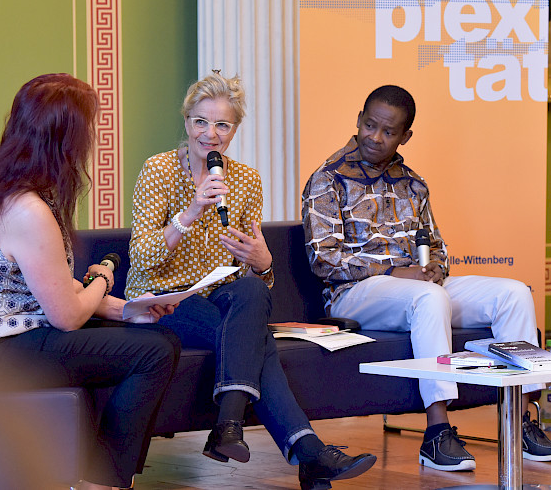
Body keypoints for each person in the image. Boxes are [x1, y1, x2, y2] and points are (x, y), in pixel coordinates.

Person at [127, 71, 376, 490]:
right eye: (201, 121)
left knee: (252, 288)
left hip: (220, 293)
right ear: (187, 122)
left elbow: (252, 279)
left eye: (222, 124)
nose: (210, 134)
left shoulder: (246, 181)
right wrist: (189, 212)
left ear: (234, 130)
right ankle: (305, 452)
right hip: (164, 298)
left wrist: (263, 262)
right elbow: (144, 258)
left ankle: (230, 428)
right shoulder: (158, 170)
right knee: (256, 343)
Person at [301, 84, 551, 473]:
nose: (375, 137)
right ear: (358, 121)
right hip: (355, 293)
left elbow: (437, 247)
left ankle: (521, 422)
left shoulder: (413, 183)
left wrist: (433, 269)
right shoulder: (328, 180)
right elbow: (324, 260)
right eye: (370, 125)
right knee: (429, 299)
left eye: (388, 131)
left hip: (416, 288)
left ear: (405, 136)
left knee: (513, 293)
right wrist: (395, 271)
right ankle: (437, 433)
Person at [0, 73, 181, 490]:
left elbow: (54, 288)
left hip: (22, 333)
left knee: (157, 337)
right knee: (155, 353)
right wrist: (103, 279)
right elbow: (67, 316)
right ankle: (102, 481)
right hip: (2, 351)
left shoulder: (16, 189)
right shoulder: (26, 208)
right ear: (64, 137)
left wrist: (127, 309)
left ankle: (98, 475)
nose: (93, 139)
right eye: (89, 128)